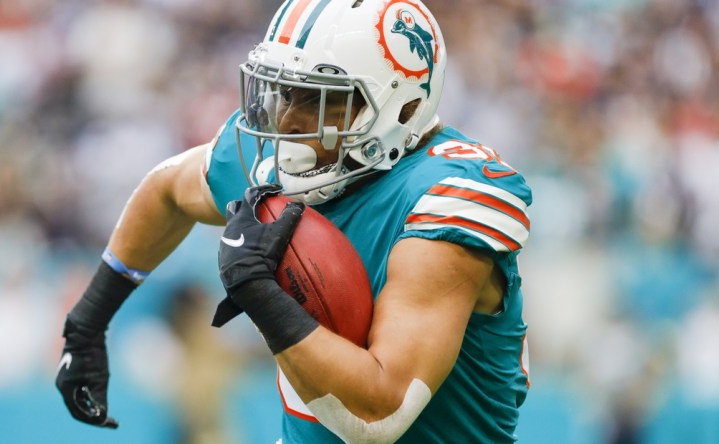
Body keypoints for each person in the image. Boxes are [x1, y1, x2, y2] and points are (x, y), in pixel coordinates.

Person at [55, 0, 533, 442]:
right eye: (284, 91)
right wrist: (89, 321)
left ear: (403, 108)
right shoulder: (278, 160)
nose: (286, 120)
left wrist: (260, 294)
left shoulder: (441, 200)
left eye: (318, 99)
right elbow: (166, 190)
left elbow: (379, 416)